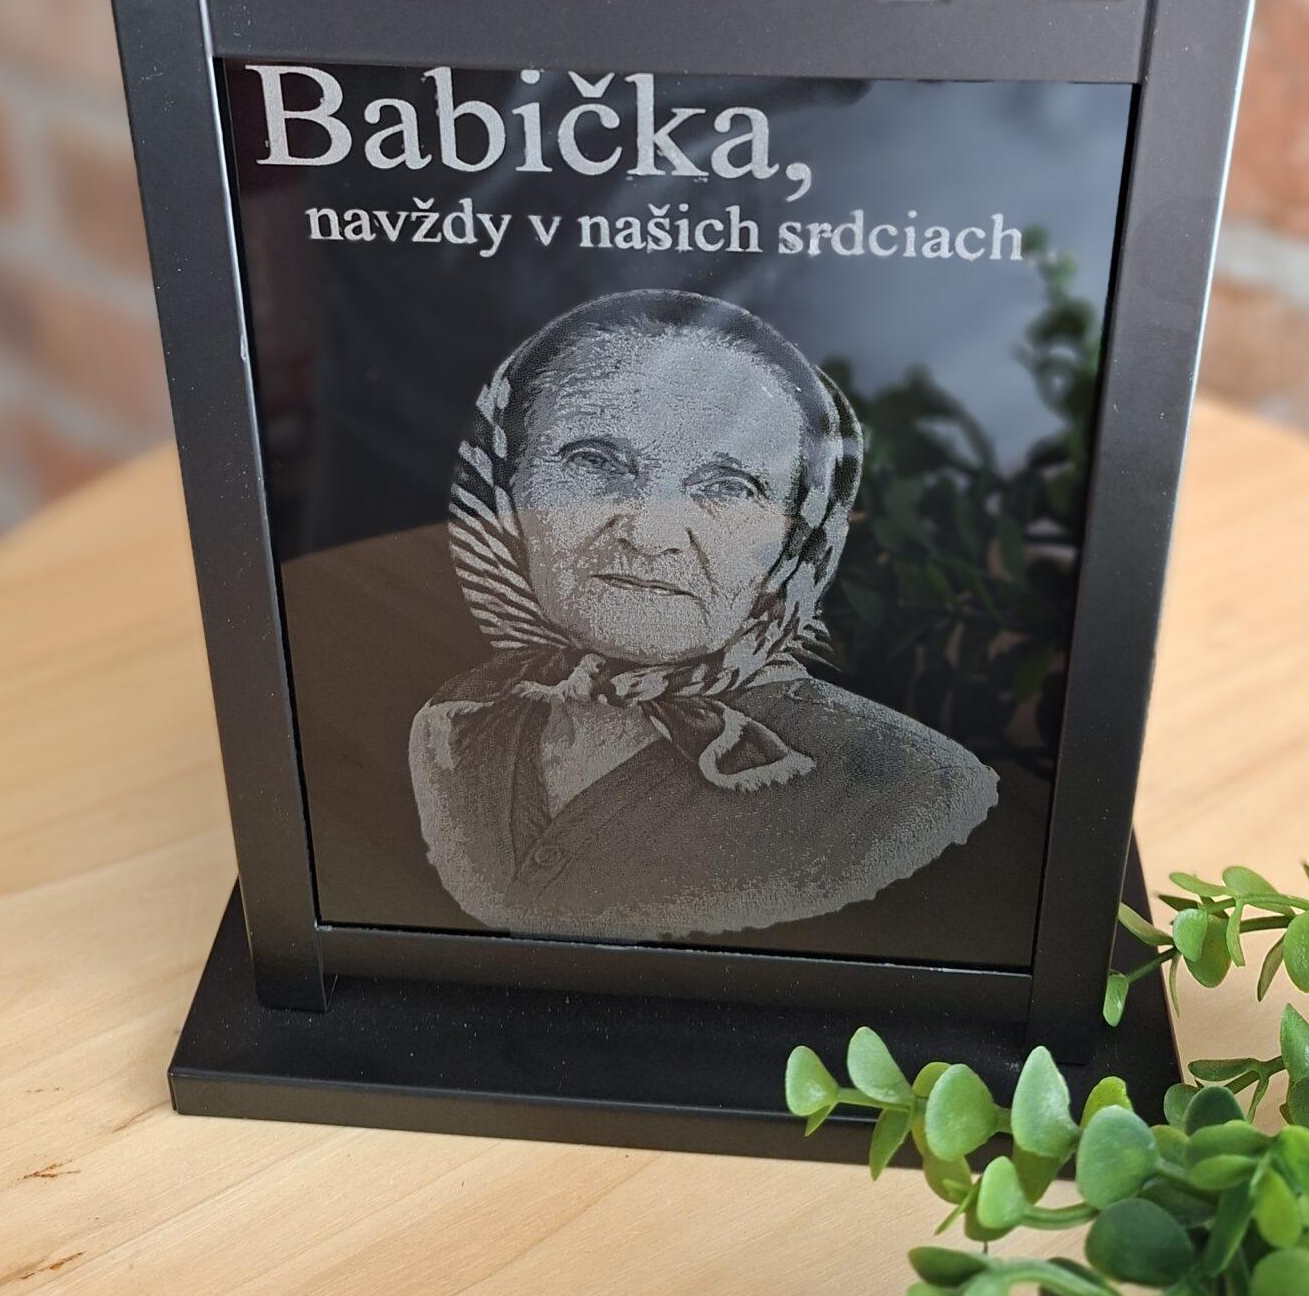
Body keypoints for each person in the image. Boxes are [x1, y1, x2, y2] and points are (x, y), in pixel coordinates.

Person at [409, 289, 998, 939]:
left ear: (798, 538)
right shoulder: (453, 723)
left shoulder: (918, 791)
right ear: (502, 484)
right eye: (595, 461)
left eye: (729, 487)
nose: (650, 535)